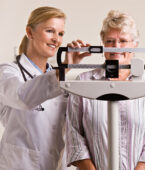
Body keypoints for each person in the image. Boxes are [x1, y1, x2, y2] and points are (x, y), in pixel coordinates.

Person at [65, 10, 145, 170]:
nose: (116, 47)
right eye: (110, 41)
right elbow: (73, 135)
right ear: (103, 44)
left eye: (123, 41)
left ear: (135, 45)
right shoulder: (84, 82)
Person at [0, 6, 90, 170]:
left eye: (60, 33)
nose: (56, 39)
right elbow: (23, 97)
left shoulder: (59, 78)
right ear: (30, 32)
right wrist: (64, 69)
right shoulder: (8, 72)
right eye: (50, 31)